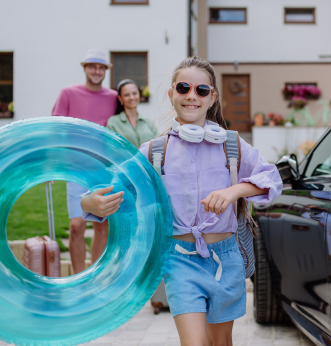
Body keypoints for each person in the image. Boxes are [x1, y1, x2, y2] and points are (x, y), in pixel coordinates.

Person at [80, 57, 282, 346]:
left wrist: (234, 191)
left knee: (220, 342)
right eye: (184, 87)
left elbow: (272, 179)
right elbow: (111, 188)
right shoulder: (153, 151)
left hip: (226, 257)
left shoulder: (232, 144)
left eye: (201, 90)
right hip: (180, 260)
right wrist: (89, 204)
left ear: (212, 97)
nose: (191, 95)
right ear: (171, 94)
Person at [51, 49, 117, 274]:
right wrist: (51, 165)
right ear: (85, 68)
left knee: (102, 226)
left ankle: (93, 277)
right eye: (92, 67)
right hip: (75, 169)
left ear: (106, 71)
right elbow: (54, 130)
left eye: (101, 68)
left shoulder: (113, 97)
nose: (97, 71)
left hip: (102, 171)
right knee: (76, 226)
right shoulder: (68, 93)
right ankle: (78, 277)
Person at [106, 79, 158, 148]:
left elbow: (159, 144)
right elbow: (110, 149)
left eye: (134, 93)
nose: (131, 97)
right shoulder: (113, 123)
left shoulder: (149, 122)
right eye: (127, 95)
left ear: (139, 94)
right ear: (120, 98)